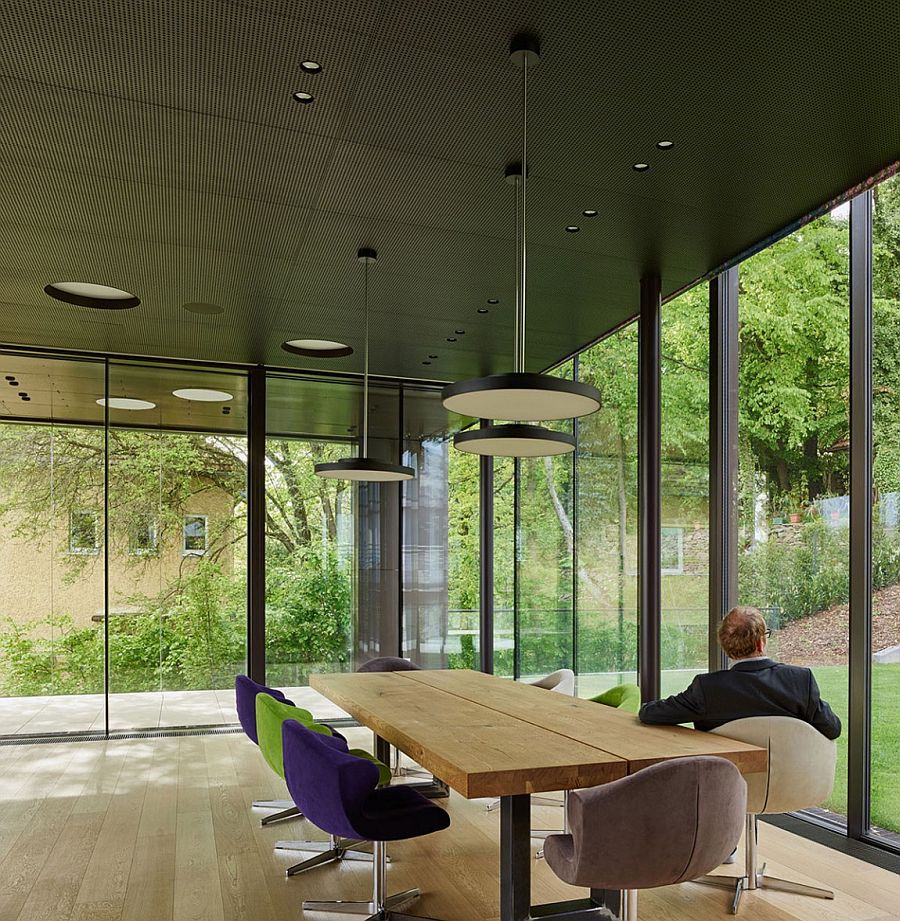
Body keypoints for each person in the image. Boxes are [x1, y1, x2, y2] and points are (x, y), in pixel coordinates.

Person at [639, 605, 841, 740]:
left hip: (728, 786)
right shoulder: (799, 681)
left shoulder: (708, 689)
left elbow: (651, 714)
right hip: (792, 783)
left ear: (724, 646)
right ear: (761, 642)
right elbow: (833, 728)